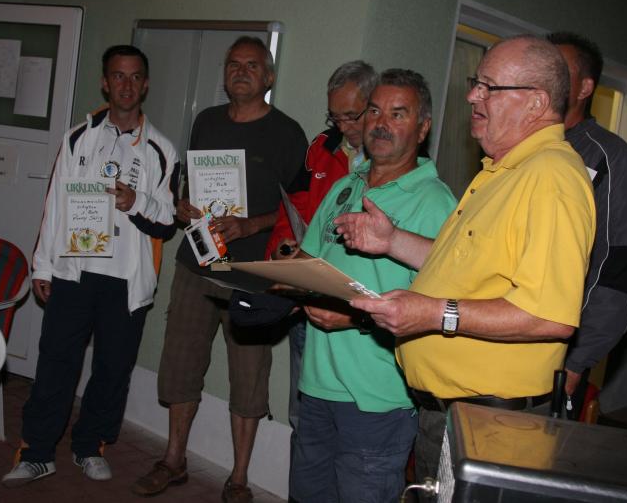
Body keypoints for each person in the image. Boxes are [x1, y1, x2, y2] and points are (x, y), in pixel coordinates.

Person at [334, 35, 597, 482]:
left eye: (489, 87)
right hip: (455, 415)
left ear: (535, 102)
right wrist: (391, 240)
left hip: (493, 424)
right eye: (477, 83)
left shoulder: (551, 177)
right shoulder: (502, 171)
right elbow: (463, 264)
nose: (473, 95)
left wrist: (435, 314)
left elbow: (550, 317)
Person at [131, 36, 307, 503]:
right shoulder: (206, 121)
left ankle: (240, 478)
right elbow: (192, 184)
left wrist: (252, 223)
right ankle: (173, 460)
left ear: (269, 77)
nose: (241, 71)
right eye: (233, 64)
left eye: (252, 65)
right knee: (181, 364)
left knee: (248, 377)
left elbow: (301, 209)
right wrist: (183, 204)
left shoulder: (288, 133)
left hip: (253, 275)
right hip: (198, 264)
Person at [2, 45, 179, 487]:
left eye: (135, 77)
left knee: (112, 370)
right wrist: (42, 266)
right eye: (118, 76)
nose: (126, 85)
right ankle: (36, 452)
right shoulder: (77, 138)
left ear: (145, 84)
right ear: (105, 82)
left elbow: (166, 220)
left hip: (127, 280)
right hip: (75, 271)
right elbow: (55, 206)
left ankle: (90, 446)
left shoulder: (162, 149)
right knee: (55, 364)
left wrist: (134, 200)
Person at [288, 69, 456, 502]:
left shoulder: (436, 202)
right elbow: (308, 260)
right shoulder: (345, 186)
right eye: (375, 111)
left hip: (378, 397)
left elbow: (439, 308)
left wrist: (351, 317)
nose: (381, 124)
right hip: (316, 383)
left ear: (423, 128)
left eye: (398, 114)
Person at [265, 60, 378, 446]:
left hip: (360, 307)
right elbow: (292, 208)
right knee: (305, 412)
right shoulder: (321, 147)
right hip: (311, 296)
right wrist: (283, 249)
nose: (343, 127)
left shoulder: (391, 158)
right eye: (335, 117)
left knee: (354, 418)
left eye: (351, 116)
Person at [547, 31, 627, 418]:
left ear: (585, 88)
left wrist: (578, 360)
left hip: (559, 349)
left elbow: (618, 267)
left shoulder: (610, 157)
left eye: (559, 70)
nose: (547, 76)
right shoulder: (518, 146)